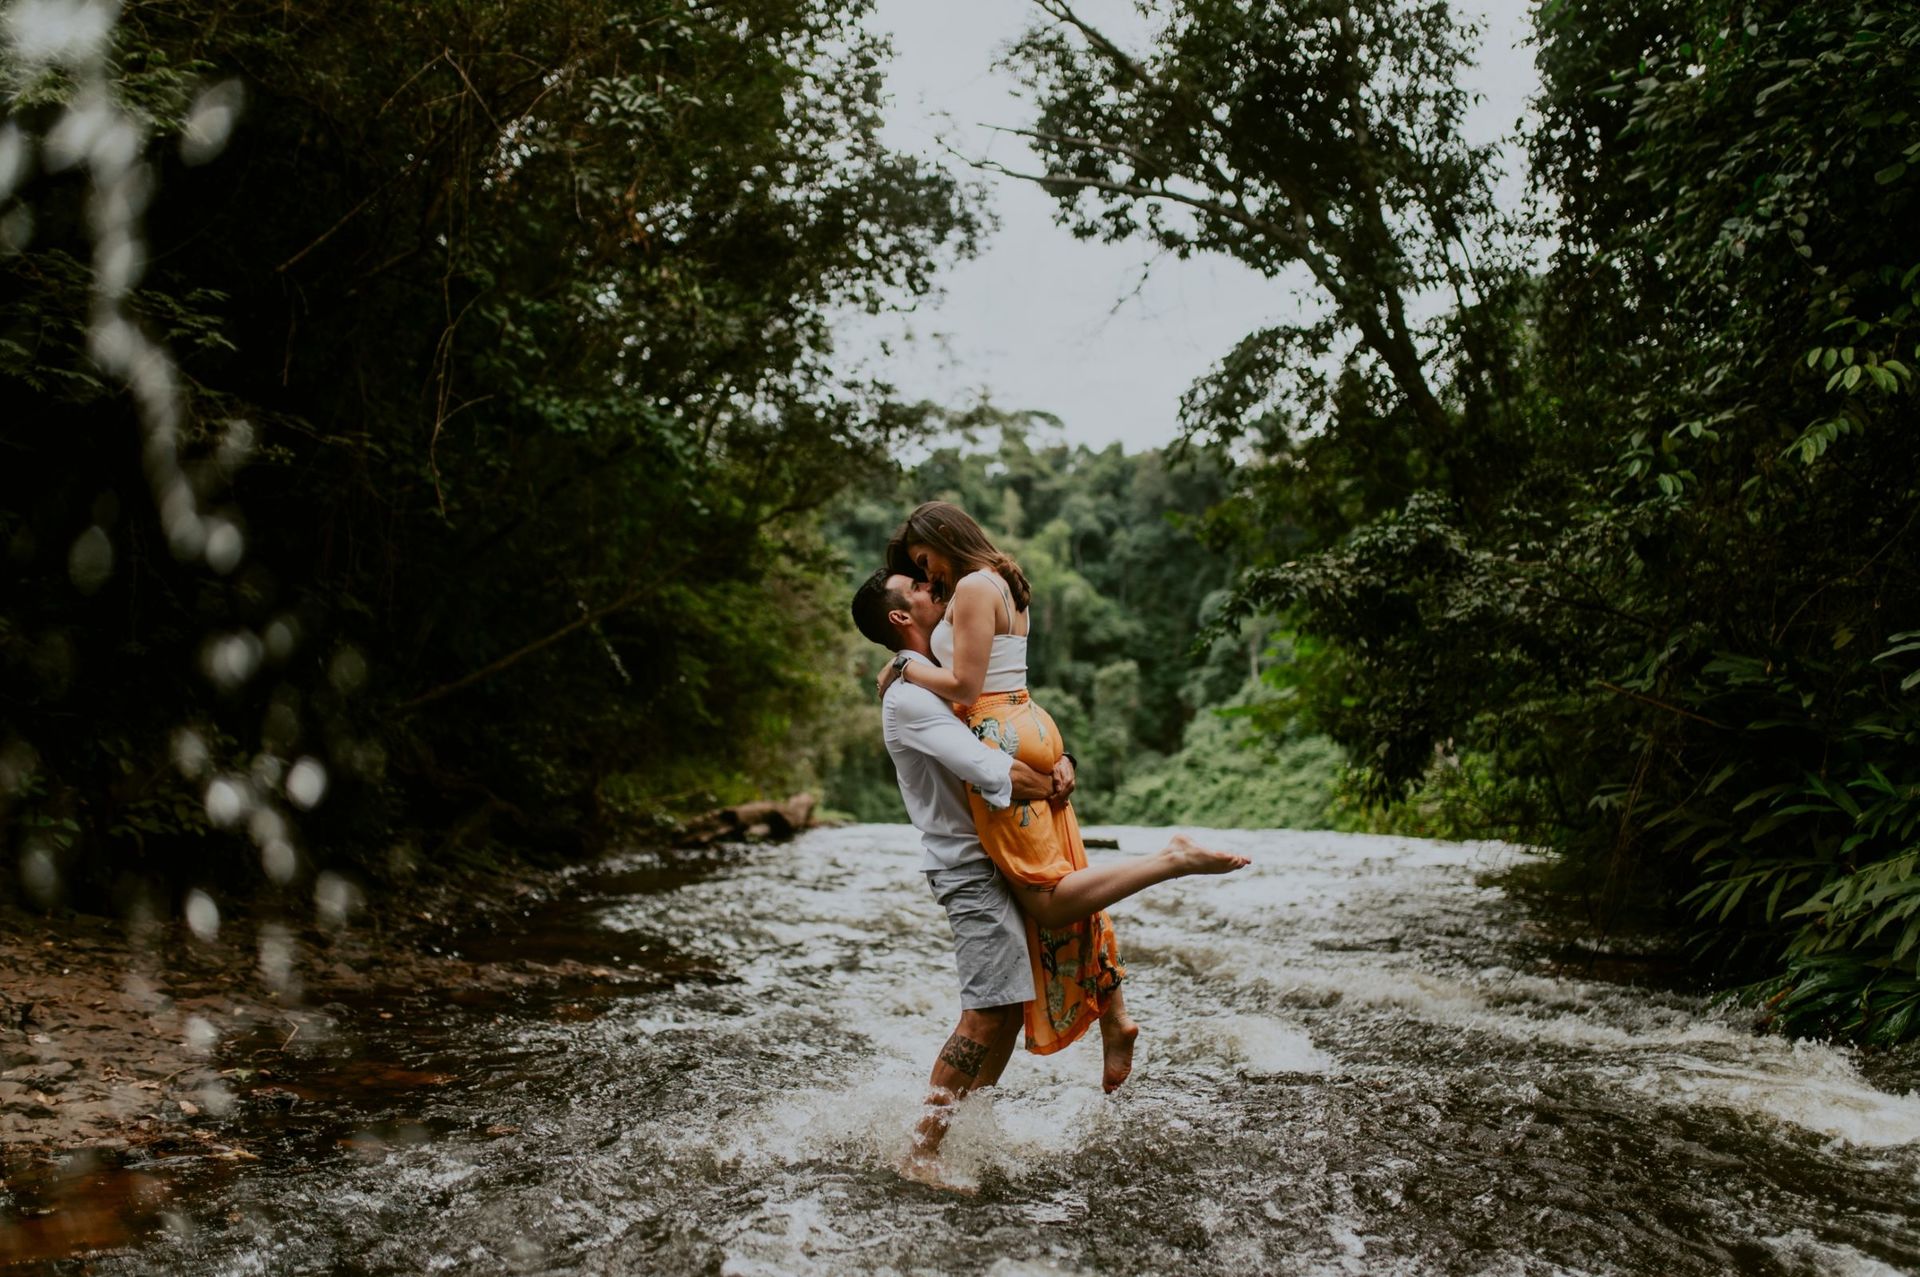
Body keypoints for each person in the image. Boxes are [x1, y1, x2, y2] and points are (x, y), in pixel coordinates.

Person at [850, 566, 1072, 1187]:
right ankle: (919, 1151)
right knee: (984, 1012)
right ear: (901, 616)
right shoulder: (911, 698)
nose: (930, 587)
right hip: (969, 869)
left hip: (996, 857)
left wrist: (1060, 760)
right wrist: (1049, 779)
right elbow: (996, 771)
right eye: (917, 587)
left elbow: (1011, 726)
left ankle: (962, 1137)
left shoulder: (940, 683)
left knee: (1008, 1008)